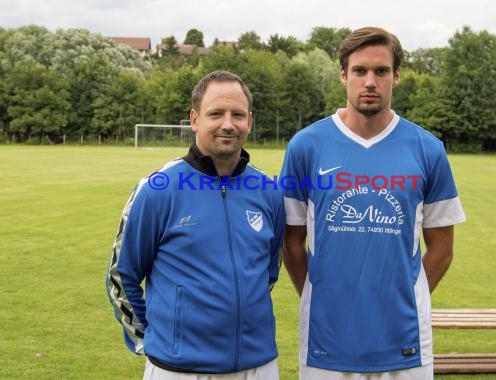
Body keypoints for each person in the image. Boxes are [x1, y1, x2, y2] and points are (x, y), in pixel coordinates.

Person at [280, 27, 466, 380]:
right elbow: (291, 242)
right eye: (359, 71)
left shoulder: (427, 149)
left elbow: (442, 249)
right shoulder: (306, 146)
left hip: (404, 340)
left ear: (396, 76)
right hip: (326, 339)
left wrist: (404, 296)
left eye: (381, 71)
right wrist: (319, 294)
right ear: (343, 75)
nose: (370, 81)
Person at [106, 70, 285, 380]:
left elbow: (267, 272)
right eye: (216, 113)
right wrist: (153, 343)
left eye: (238, 115)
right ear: (195, 119)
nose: (228, 124)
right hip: (178, 369)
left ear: (250, 122)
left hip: (258, 366)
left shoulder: (268, 191)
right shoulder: (158, 189)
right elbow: (122, 275)